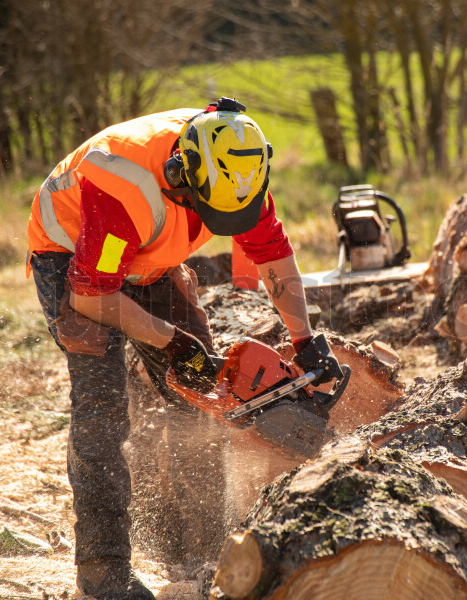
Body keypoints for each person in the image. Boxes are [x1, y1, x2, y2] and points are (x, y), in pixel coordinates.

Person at [25, 97, 341, 600]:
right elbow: (93, 292)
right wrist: (172, 340)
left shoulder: (239, 169)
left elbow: (273, 257)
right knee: (102, 408)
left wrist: (305, 339)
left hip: (146, 256)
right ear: (181, 173)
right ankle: (103, 571)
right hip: (76, 259)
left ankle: (199, 550)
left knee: (201, 394)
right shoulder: (126, 185)